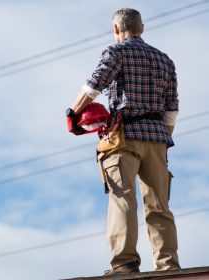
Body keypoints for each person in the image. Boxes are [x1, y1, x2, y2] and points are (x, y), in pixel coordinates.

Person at [68, 8, 180, 275]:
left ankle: (125, 263)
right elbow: (172, 109)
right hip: (157, 139)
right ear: (142, 28)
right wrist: (162, 142)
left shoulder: (115, 52)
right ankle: (168, 266)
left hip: (124, 138)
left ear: (116, 29)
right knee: (159, 206)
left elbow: (94, 86)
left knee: (123, 199)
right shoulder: (165, 60)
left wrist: (72, 113)